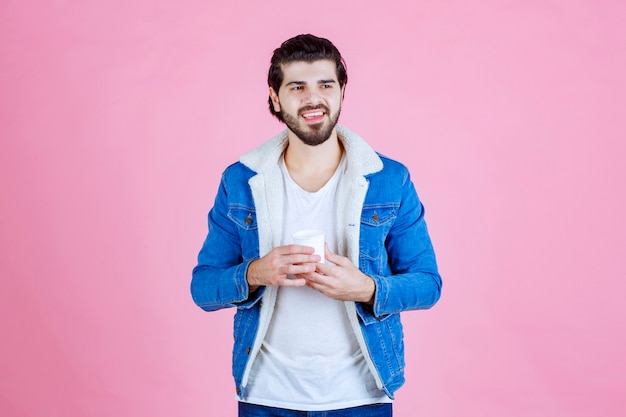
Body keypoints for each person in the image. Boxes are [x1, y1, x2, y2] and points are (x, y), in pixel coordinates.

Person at [191, 34, 442, 417]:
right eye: (297, 87)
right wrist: (258, 272)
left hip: (361, 395)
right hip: (266, 396)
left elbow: (428, 283)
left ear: (342, 91)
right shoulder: (241, 181)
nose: (313, 98)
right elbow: (203, 288)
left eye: (325, 84)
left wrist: (367, 288)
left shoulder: (389, 179)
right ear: (275, 98)